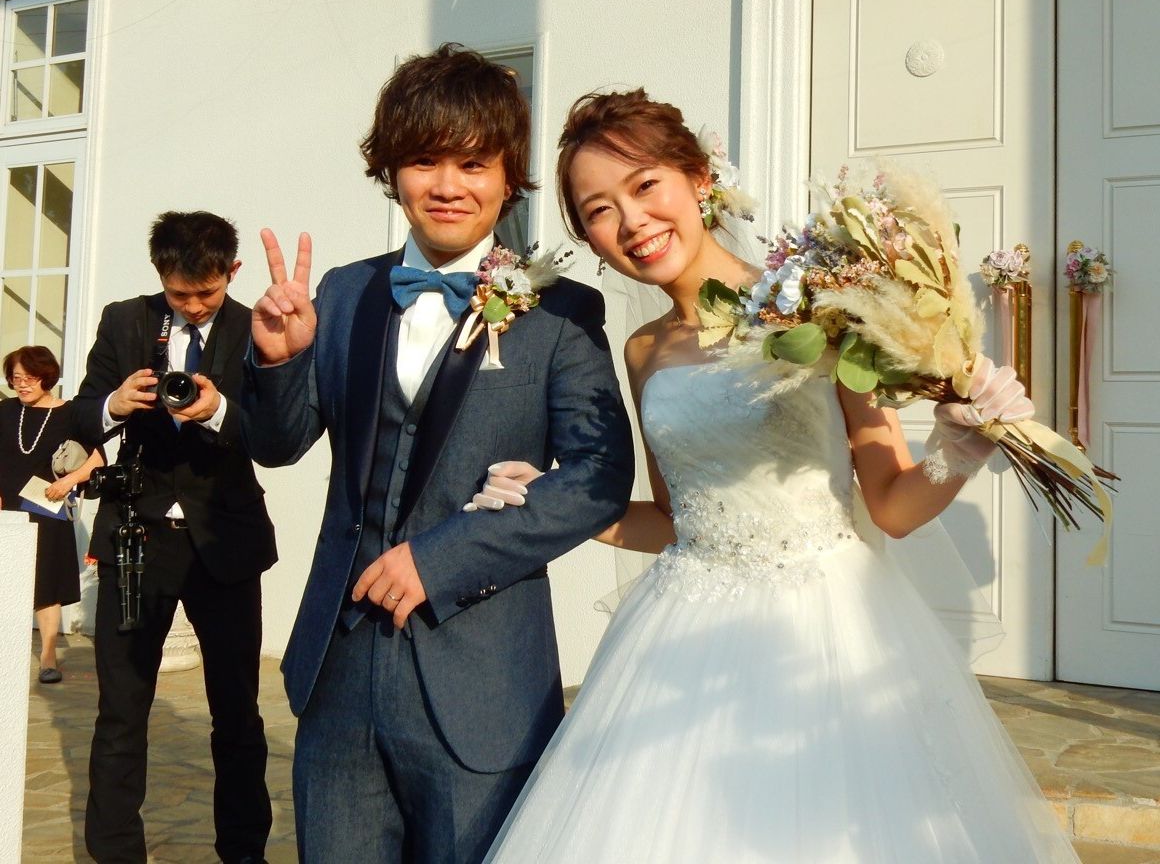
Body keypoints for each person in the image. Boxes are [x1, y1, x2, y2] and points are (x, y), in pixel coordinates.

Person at [476, 89, 1079, 862]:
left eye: (645, 185)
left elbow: (892, 507)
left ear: (698, 178)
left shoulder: (822, 309)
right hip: (682, 636)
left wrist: (957, 451)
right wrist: (553, 502)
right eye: (599, 210)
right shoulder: (643, 350)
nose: (631, 221)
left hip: (825, 632)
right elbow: (677, 520)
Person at [241, 43, 635, 864]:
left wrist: (442, 558)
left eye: (473, 163)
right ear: (391, 171)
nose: (448, 185)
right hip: (339, 672)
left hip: (482, 680)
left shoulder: (561, 313)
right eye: (425, 161)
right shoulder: (344, 291)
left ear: (509, 175)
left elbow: (598, 478)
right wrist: (280, 360)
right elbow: (278, 446)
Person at [73, 211, 277, 864]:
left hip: (225, 540)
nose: (192, 306)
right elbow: (80, 415)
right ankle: (114, 854)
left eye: (206, 293)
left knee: (238, 712)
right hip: (137, 537)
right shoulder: (125, 321)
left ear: (232, 272)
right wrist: (114, 405)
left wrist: (219, 410)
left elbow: (276, 433)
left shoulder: (256, 327)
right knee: (121, 710)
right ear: (159, 274)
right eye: (178, 293)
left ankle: (242, 852)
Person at [0, 346, 103, 684]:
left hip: (46, 505)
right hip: (6, 508)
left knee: (46, 583)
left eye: (29, 378)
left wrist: (68, 482)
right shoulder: (5, 410)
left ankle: (47, 657)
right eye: (16, 378)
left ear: (46, 377)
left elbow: (97, 459)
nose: (21, 384)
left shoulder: (70, 414)